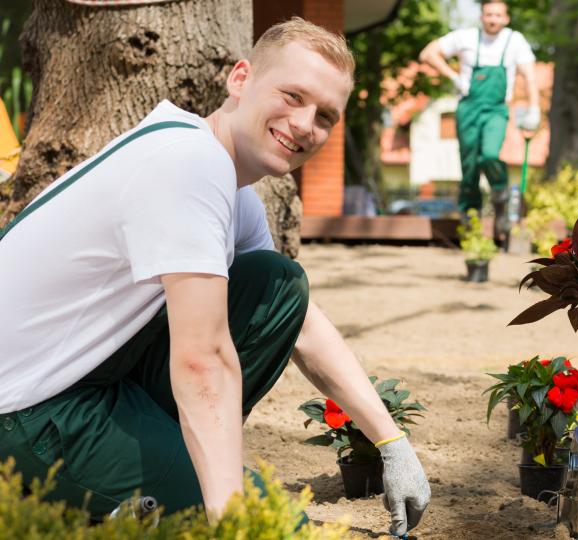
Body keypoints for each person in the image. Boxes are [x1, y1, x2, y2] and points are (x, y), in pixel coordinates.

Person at [0, 18, 429, 536]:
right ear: (241, 79)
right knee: (275, 522)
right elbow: (203, 359)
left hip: (83, 380)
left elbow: (301, 324)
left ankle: (159, 473)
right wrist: (230, 515)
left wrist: (391, 442)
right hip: (28, 412)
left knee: (277, 283)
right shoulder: (190, 164)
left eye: (324, 116)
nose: (304, 124)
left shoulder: (226, 179)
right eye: (292, 95)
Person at [419, 0, 540, 246]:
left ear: (506, 18)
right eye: (488, 14)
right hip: (468, 107)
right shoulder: (465, 37)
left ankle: (500, 197)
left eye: (498, 15)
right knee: (470, 165)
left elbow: (529, 75)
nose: (493, 19)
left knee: (489, 155)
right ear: (482, 17)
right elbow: (427, 53)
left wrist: (534, 107)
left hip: (496, 109)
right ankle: (470, 220)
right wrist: (453, 76)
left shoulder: (514, 41)